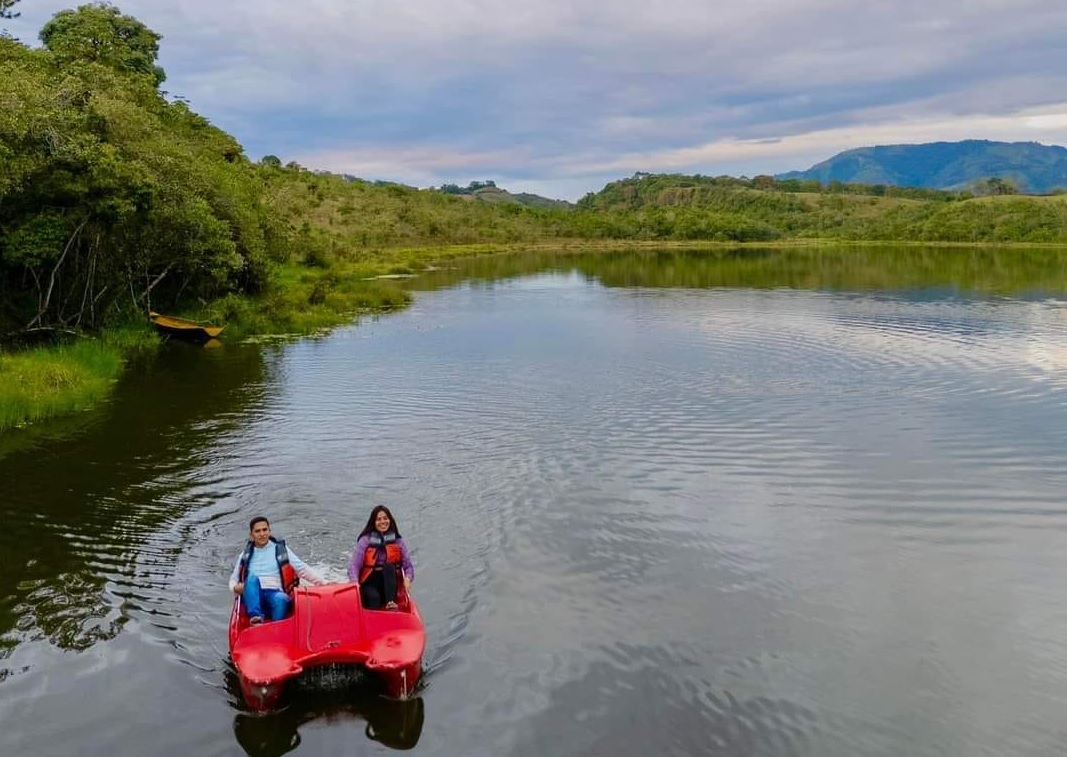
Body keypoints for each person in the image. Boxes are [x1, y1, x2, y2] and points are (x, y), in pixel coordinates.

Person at [228, 516, 327, 624]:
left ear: (269, 531)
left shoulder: (281, 550)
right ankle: (256, 618)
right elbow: (233, 579)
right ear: (251, 535)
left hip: (274, 593)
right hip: (253, 596)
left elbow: (302, 568)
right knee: (252, 578)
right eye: (257, 531)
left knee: (282, 599)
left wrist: (324, 583)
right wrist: (234, 588)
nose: (262, 534)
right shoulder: (244, 555)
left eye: (265, 530)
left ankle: (275, 626)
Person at [347, 505, 414, 610]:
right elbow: (354, 566)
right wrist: (354, 583)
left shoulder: (398, 541)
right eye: (378, 519)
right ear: (373, 522)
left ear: (390, 520)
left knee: (389, 567)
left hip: (389, 586)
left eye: (385, 518)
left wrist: (408, 578)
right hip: (370, 583)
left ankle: (390, 603)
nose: (382, 522)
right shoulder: (365, 540)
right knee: (374, 599)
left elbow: (408, 566)